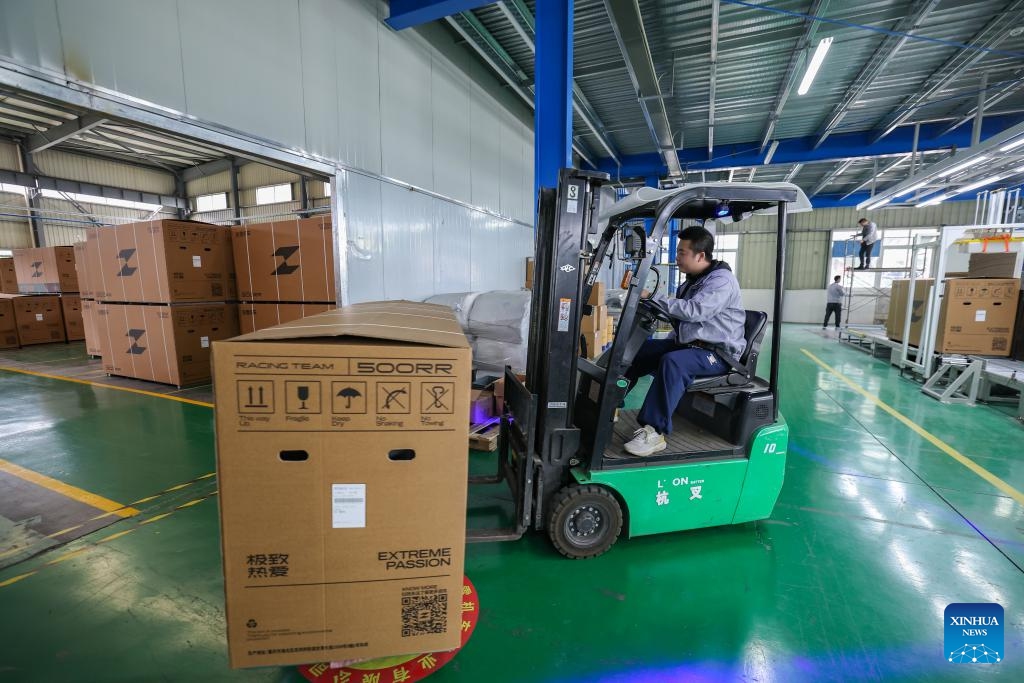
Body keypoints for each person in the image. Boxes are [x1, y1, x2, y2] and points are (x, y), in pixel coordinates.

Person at [622, 225, 746, 457]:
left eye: (682, 252)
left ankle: (654, 432)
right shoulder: (691, 282)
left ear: (700, 255)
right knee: (637, 351)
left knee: (673, 362)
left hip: (717, 354)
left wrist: (652, 297)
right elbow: (680, 320)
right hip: (692, 346)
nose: (677, 257)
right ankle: (610, 403)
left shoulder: (721, 281)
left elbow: (695, 311)